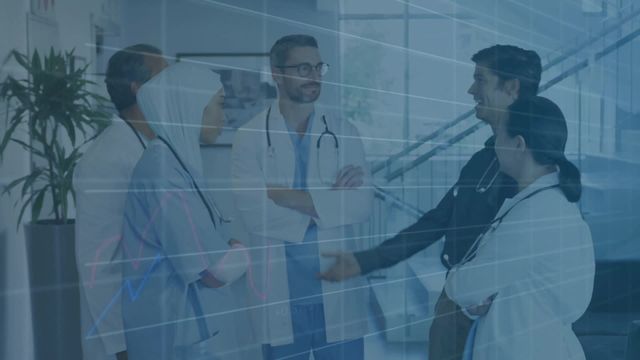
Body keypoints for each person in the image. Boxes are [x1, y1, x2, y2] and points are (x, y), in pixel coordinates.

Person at [319, 44, 542, 360]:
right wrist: (366, 260)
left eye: (481, 80)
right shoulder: (483, 160)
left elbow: (529, 242)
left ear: (511, 88)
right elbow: (438, 220)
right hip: (458, 300)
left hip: (497, 310)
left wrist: (491, 289)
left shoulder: (534, 168)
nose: (471, 90)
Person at [231, 34, 373, 360]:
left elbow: (361, 204)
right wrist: (327, 203)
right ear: (277, 73)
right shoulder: (249, 138)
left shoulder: (344, 131)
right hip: (281, 298)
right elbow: (253, 211)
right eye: (304, 67)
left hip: (337, 294)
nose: (314, 76)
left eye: (318, 67)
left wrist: (283, 195)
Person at [445, 96, 595, 359]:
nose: (495, 146)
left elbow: (462, 287)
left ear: (518, 144)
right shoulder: (544, 203)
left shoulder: (536, 215)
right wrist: (475, 302)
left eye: (499, 138)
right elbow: (482, 288)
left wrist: (468, 289)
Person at [120, 63, 247, 360]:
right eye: (219, 105)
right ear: (192, 106)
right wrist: (241, 251)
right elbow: (214, 271)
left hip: (188, 327)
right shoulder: (162, 170)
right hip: (174, 331)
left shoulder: (177, 162)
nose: (224, 117)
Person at [74, 44, 167, 360]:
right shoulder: (106, 159)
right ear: (139, 90)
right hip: (126, 340)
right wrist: (121, 346)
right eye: (165, 79)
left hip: (157, 326)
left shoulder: (153, 145)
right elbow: (100, 264)